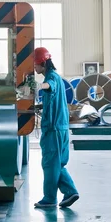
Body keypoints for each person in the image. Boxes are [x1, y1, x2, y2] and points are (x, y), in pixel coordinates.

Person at [34, 47, 79, 209]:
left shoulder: (51, 78)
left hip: (53, 128)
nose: (34, 68)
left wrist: (38, 86)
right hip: (61, 127)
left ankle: (50, 198)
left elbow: (49, 86)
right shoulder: (58, 77)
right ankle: (70, 192)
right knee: (58, 163)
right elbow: (53, 98)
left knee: (50, 163)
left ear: (42, 63)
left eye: (35, 65)